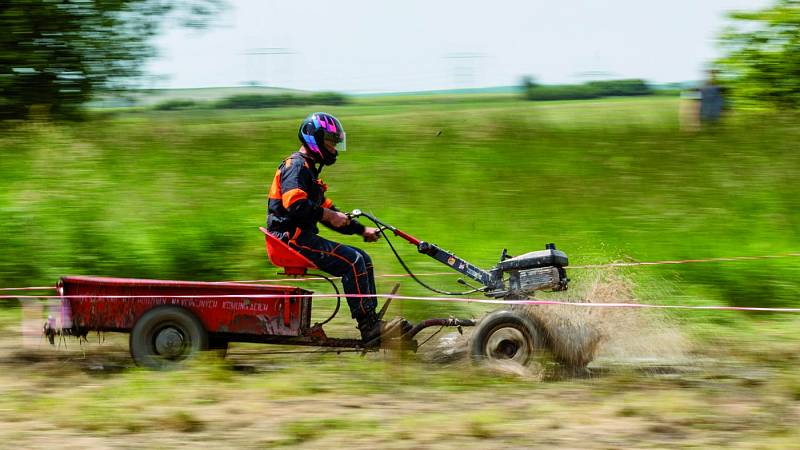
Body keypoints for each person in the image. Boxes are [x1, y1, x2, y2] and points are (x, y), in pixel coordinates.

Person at [266, 112, 410, 345]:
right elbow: (295, 205)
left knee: (363, 257)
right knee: (352, 261)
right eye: (330, 142)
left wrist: (362, 230)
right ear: (314, 139)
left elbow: (330, 215)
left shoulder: (310, 173)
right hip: (289, 239)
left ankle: (371, 321)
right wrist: (328, 214)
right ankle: (369, 328)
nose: (334, 148)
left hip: (301, 237)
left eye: (335, 142)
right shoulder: (296, 167)